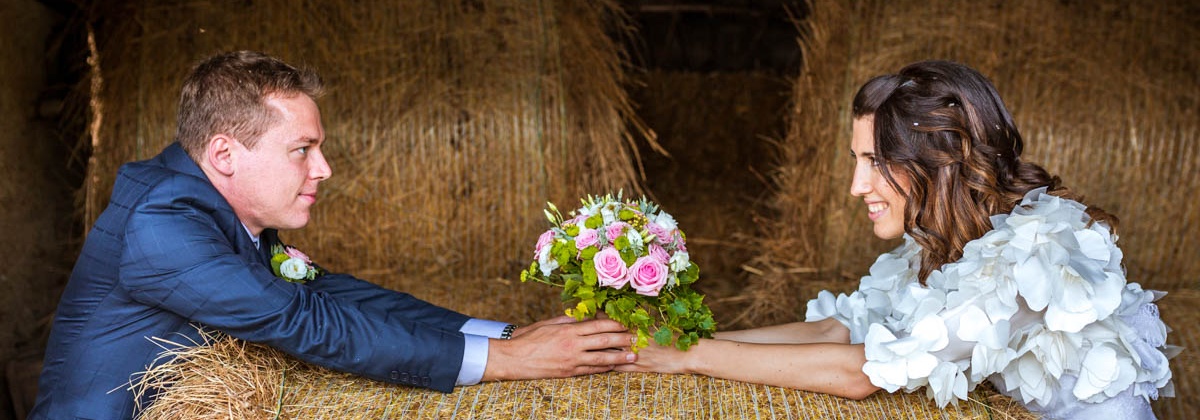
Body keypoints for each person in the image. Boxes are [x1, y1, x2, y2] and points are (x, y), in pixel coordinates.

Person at [30, 50, 637, 419]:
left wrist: (502, 333)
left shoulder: (204, 200)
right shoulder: (163, 223)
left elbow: (331, 296)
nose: (323, 169)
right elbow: (303, 323)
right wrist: (506, 362)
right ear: (224, 153)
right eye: (303, 149)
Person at [618, 60, 1177, 419]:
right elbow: (836, 330)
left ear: (943, 161)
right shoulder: (933, 247)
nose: (856, 186)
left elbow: (864, 373)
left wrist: (689, 358)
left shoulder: (1041, 251)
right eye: (856, 161)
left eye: (877, 162)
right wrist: (672, 338)